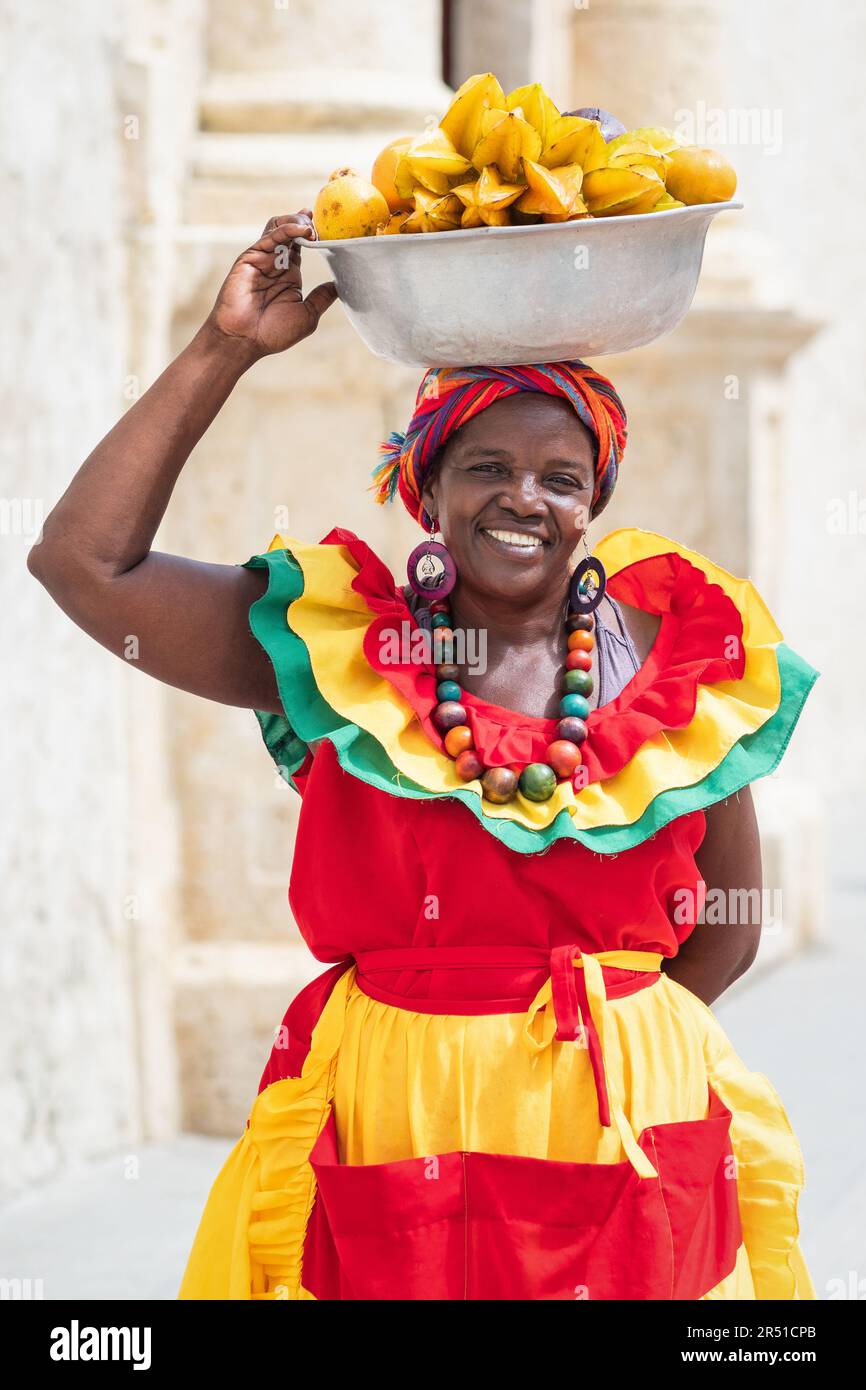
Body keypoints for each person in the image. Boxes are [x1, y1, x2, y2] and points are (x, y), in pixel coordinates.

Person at [28, 211, 818, 1301]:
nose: (522, 499)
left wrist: (607, 1056)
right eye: (485, 465)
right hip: (393, 1129)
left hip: (626, 1130)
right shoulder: (347, 655)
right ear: (426, 489)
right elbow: (83, 565)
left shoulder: (682, 666)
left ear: (593, 501)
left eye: (559, 474)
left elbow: (726, 926)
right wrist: (227, 349)